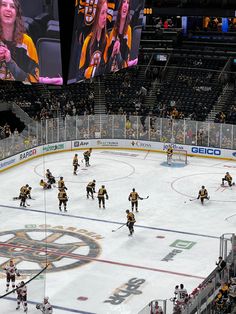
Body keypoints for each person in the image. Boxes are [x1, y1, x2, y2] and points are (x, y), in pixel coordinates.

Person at [0, 0, 39, 82]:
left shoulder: (26, 42)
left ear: (17, 14)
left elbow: (35, 79)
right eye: (4, 5)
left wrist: (10, 62)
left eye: (12, 6)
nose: (8, 9)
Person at [78, 0, 108, 80]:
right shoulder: (88, 41)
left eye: (106, 12)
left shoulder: (106, 39)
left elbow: (105, 66)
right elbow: (80, 72)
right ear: (96, 14)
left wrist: (92, 71)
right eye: (102, 13)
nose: (105, 17)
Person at [104, 0, 132, 72]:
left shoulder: (129, 30)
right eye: (123, 2)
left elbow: (126, 59)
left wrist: (118, 53)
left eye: (128, 3)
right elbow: (106, 62)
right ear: (119, 8)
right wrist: (113, 53)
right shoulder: (113, 31)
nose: (125, 5)